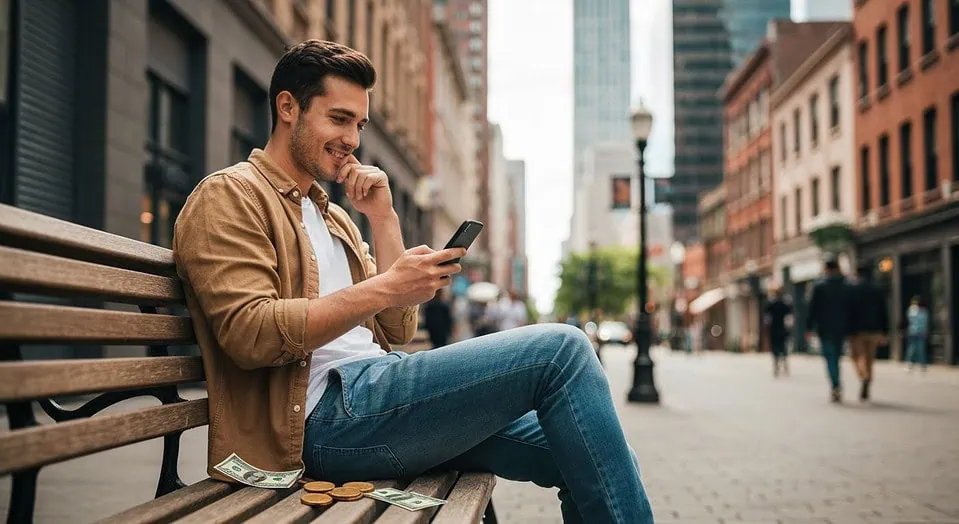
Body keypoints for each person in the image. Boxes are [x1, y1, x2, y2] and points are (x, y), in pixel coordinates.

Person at [171, 40, 652, 523]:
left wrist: (383, 219)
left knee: (593, 450)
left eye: (359, 125)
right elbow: (250, 334)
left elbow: (396, 328)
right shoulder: (232, 196)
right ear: (288, 107)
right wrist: (387, 286)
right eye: (339, 119)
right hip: (320, 421)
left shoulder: (334, 217)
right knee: (561, 350)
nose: (352, 139)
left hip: (377, 397)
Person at [805, 257, 851, 403]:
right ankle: (836, 381)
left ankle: (835, 384)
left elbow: (812, 309)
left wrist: (808, 327)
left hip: (825, 328)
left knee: (830, 357)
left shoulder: (819, 287)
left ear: (826, 269)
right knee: (836, 356)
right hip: (842, 327)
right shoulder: (846, 285)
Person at [847, 265, 890, 401]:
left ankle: (863, 377)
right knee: (869, 359)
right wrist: (885, 331)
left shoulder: (852, 290)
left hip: (857, 331)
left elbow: (849, 312)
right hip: (874, 330)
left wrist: (848, 329)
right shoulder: (877, 290)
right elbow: (884, 311)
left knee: (856, 356)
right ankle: (868, 380)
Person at [764, 287, 792, 377]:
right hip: (783, 330)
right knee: (783, 348)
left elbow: (767, 319)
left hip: (774, 330)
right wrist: (788, 328)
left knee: (775, 348)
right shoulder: (785, 305)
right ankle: (785, 364)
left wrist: (767, 329)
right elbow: (789, 318)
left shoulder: (771, 305)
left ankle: (776, 365)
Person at [904, 296, 930, 372]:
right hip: (913, 332)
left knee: (920, 349)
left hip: (919, 332)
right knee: (912, 349)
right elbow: (909, 320)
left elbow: (925, 323)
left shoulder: (923, 312)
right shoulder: (911, 310)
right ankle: (910, 364)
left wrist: (925, 332)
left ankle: (922, 365)